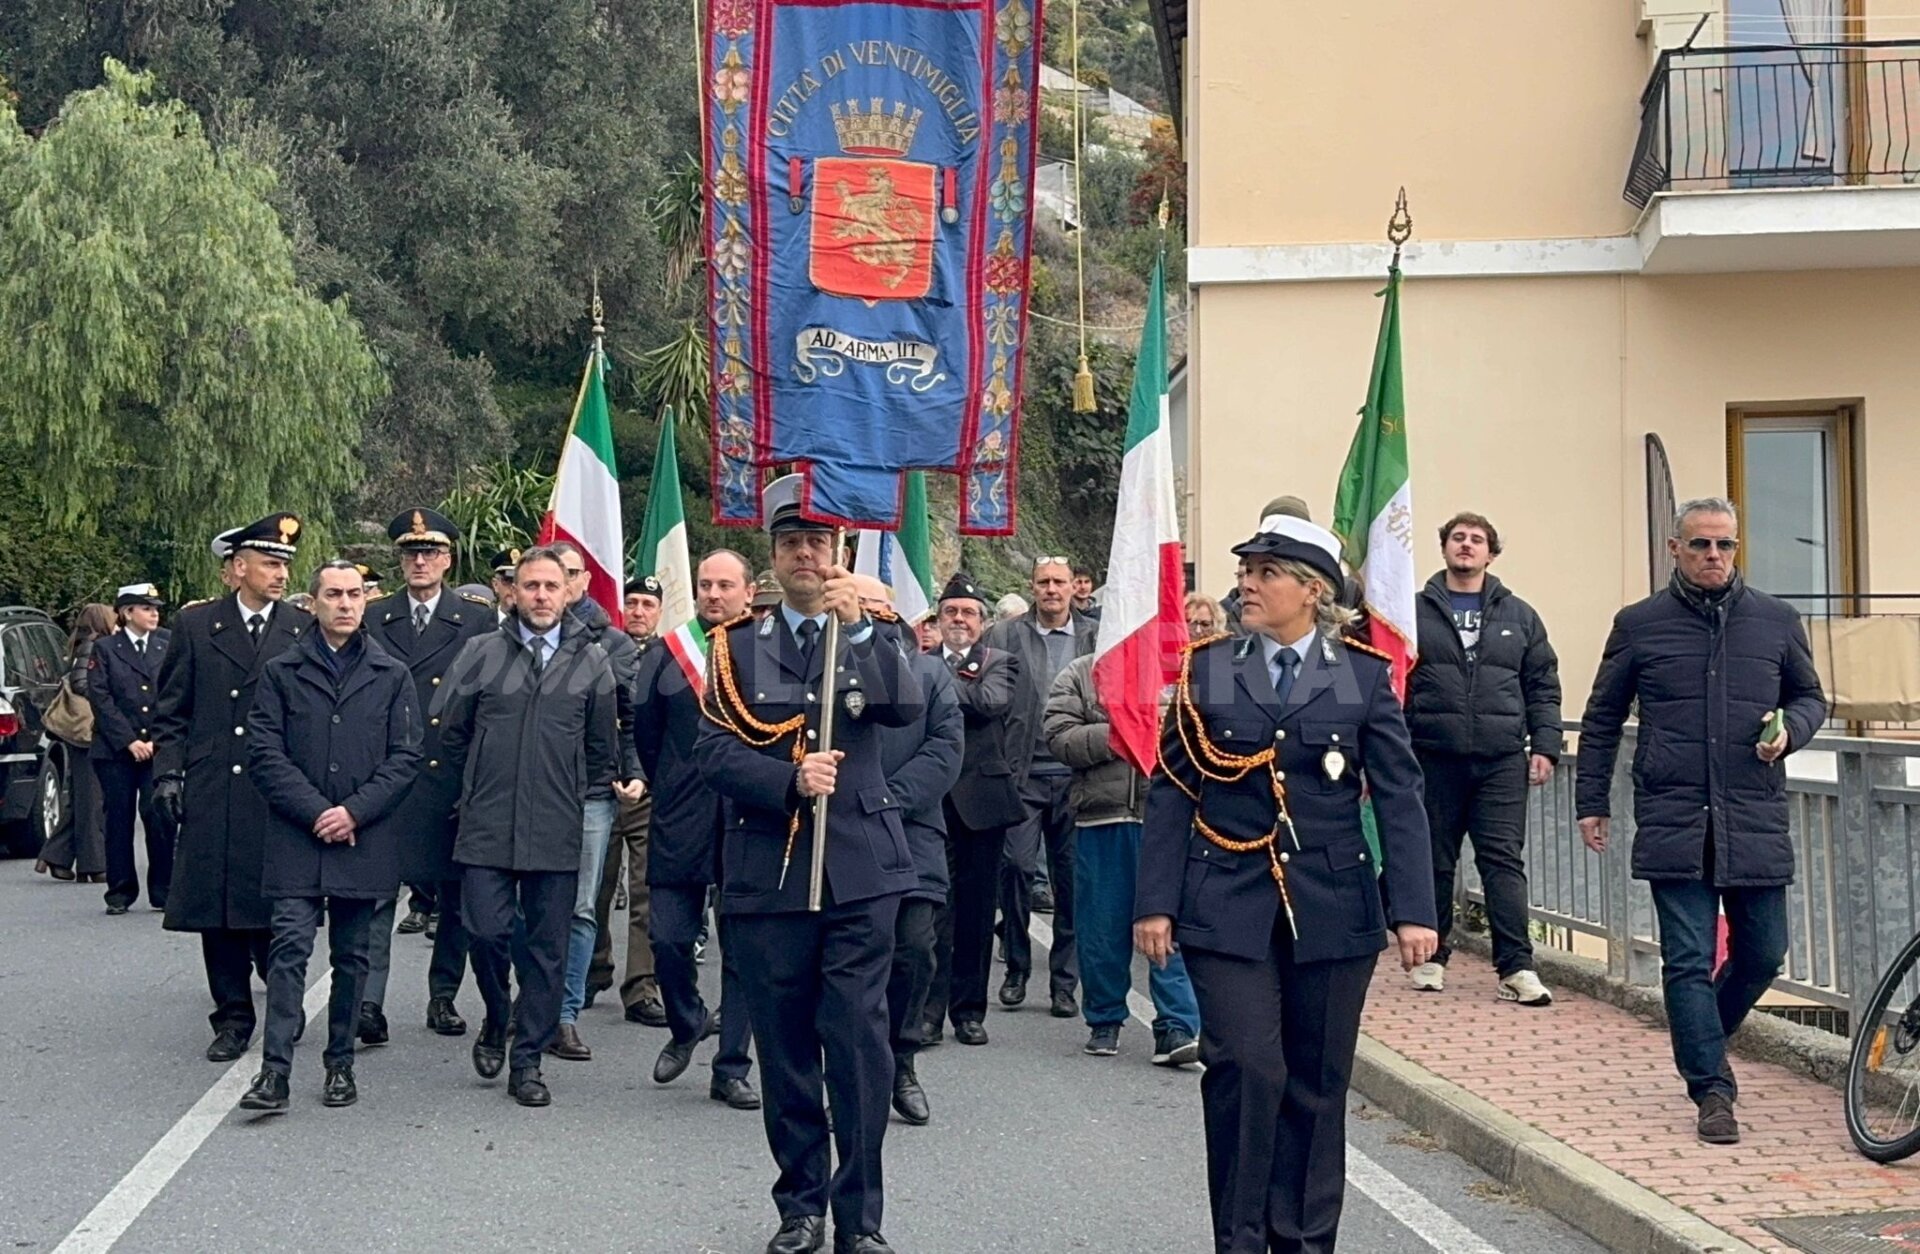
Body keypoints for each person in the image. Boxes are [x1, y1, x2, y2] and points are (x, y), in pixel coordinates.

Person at [1135, 512, 1438, 1254]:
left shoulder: (1361, 676)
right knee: (1245, 1065)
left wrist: (1414, 911)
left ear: (1312, 591)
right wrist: (1156, 902)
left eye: (1265, 572)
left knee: (1316, 1082)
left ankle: (1302, 1241)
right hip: (1225, 897)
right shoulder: (1209, 668)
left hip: (1331, 906)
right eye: (1245, 571)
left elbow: (1400, 795)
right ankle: (1239, 1240)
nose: (1246, 584)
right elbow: (1174, 788)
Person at [695, 474, 925, 1254]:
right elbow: (712, 753)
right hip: (772, 869)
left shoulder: (874, 631)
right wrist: (786, 780)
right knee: (788, 1048)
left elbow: (905, 707)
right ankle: (801, 1205)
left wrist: (860, 631)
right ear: (774, 556)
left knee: (858, 1046)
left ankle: (861, 1218)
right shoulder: (733, 647)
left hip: (862, 867)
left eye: (819, 542)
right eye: (792, 542)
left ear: (839, 552)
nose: (806, 554)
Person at [1577, 497, 1827, 1146]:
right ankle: (1712, 1089)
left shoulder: (1775, 621)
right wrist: (1591, 801)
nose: (1713, 556)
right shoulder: (1640, 625)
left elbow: (1809, 697)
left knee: (1764, 955)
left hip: (1753, 815)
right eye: (1700, 546)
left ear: (1737, 548)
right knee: (1686, 960)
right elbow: (1602, 717)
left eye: (1725, 545)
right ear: (1674, 550)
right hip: (1674, 814)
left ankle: (1702, 1036)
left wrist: (1791, 730)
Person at [435, 545, 619, 1107]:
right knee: (486, 932)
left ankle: (528, 1060)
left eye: (551, 586)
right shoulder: (481, 652)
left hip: (556, 827)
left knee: (546, 951)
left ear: (569, 591)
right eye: (530, 586)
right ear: (512, 592)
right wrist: (476, 788)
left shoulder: (593, 661)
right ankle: (496, 1013)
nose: (541, 596)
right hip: (487, 823)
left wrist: (569, 792)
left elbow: (600, 747)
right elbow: (449, 731)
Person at [239, 560, 422, 1113]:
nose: (345, 604)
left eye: (354, 595)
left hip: (362, 838)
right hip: (299, 835)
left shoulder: (392, 674)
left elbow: (405, 756)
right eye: (333, 595)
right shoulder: (280, 671)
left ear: (366, 601)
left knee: (353, 955)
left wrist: (354, 813)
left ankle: (340, 1064)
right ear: (311, 603)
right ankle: (275, 1073)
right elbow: (264, 751)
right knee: (289, 949)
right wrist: (318, 810)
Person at [153, 512, 316, 1062]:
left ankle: (284, 1005)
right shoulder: (198, 627)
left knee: (276, 906)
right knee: (216, 911)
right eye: (270, 564)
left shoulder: (301, 627)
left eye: (285, 566)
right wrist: (169, 772)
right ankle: (232, 1017)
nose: (280, 575)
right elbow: (172, 711)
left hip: (276, 789)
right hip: (215, 785)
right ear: (237, 568)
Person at [1403, 511, 1562, 1005]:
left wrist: (1548, 746)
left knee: (1502, 863)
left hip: (1500, 760)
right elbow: (1390, 683)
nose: (1466, 546)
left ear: (1491, 553)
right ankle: (1431, 957)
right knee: (1435, 861)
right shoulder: (1413, 612)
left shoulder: (1520, 616)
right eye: (1458, 538)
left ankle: (1517, 967)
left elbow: (1542, 685)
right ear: (1445, 548)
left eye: (1477, 540)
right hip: (1433, 756)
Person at [358, 508, 494, 1043]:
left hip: (449, 776)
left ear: (448, 560)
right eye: (411, 554)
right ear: (399, 560)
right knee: (373, 894)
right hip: (388, 777)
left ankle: (443, 996)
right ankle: (368, 1002)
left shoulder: (477, 618)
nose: (420, 562)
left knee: (455, 899)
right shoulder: (373, 617)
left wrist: (477, 781)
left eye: (431, 553)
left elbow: (486, 703)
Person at [634, 552, 760, 1108]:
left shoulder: (768, 651)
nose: (713, 593)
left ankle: (731, 1066)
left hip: (748, 816)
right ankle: (686, 1023)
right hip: (679, 815)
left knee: (743, 951)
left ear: (748, 592)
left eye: (725, 585)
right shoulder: (667, 653)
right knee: (668, 937)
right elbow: (645, 733)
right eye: (705, 584)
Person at [1047, 652, 1200, 1065]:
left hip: (1168, 817)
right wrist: (1120, 733)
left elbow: (1211, 736)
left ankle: (1177, 1025)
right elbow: (1058, 735)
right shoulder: (1080, 672)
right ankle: (1105, 1019)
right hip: (1103, 816)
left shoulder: (1185, 669)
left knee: (1168, 919)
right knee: (1101, 924)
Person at [858, 574, 963, 1126]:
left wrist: (888, 799)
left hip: (913, 832)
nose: (872, 618)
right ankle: (851, 1072)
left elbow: (946, 748)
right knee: (854, 962)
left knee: (914, 949)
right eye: (861, 608)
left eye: (879, 608)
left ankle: (902, 1060)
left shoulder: (929, 671)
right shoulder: (832, 667)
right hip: (846, 834)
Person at [543, 540, 644, 1063]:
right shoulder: (507, 640)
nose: (552, 586)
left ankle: (563, 1015)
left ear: (581, 583)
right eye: (543, 576)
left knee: (582, 907)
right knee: (527, 908)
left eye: (566, 575)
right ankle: (528, 1002)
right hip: (530, 793)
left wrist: (630, 773)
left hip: (589, 792)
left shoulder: (615, 646)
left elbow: (624, 719)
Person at [984, 556, 1093, 1018]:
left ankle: (1064, 983)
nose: (1051, 589)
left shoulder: (1097, 636)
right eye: (1043, 582)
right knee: (1015, 868)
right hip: (1022, 774)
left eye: (1059, 582)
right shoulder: (1006, 635)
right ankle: (1016, 967)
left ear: (1074, 588)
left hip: (1077, 777)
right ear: (1032, 587)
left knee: (1071, 882)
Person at [920, 573, 1024, 1048]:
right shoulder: (917, 662)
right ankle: (928, 1011)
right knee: (932, 913)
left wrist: (938, 681)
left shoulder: (1000, 662)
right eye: (950, 612)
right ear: (938, 620)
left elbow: (989, 703)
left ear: (982, 622)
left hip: (982, 804)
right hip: (932, 802)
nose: (958, 620)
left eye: (967, 613)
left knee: (978, 914)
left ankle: (969, 1011)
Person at [587, 576, 666, 1025]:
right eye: (631, 603)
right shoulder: (598, 649)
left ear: (659, 611)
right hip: (601, 782)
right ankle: (592, 969)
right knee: (594, 888)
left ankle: (642, 987)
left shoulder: (672, 656)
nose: (638, 611)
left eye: (647, 605)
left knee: (646, 890)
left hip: (649, 787)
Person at [88, 584, 174, 914]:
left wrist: (156, 737)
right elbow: (101, 698)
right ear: (126, 613)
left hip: (157, 744)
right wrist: (128, 740)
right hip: (116, 749)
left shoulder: (166, 642)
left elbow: (174, 692)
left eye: (155, 608)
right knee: (119, 818)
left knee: (159, 814)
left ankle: (163, 890)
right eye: (146, 607)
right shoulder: (106, 648)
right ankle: (120, 891)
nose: (154, 613)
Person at [36, 603, 113, 883]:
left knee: (83, 796)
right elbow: (83, 684)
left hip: (80, 733)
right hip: (87, 732)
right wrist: (106, 697)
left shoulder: (81, 644)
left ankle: (57, 855)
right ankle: (93, 864)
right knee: (93, 797)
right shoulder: (95, 645)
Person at [488, 548, 520, 623]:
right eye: (508, 581)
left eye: (520, 581)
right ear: (495, 585)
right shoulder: (479, 624)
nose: (514, 587)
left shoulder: (541, 626)